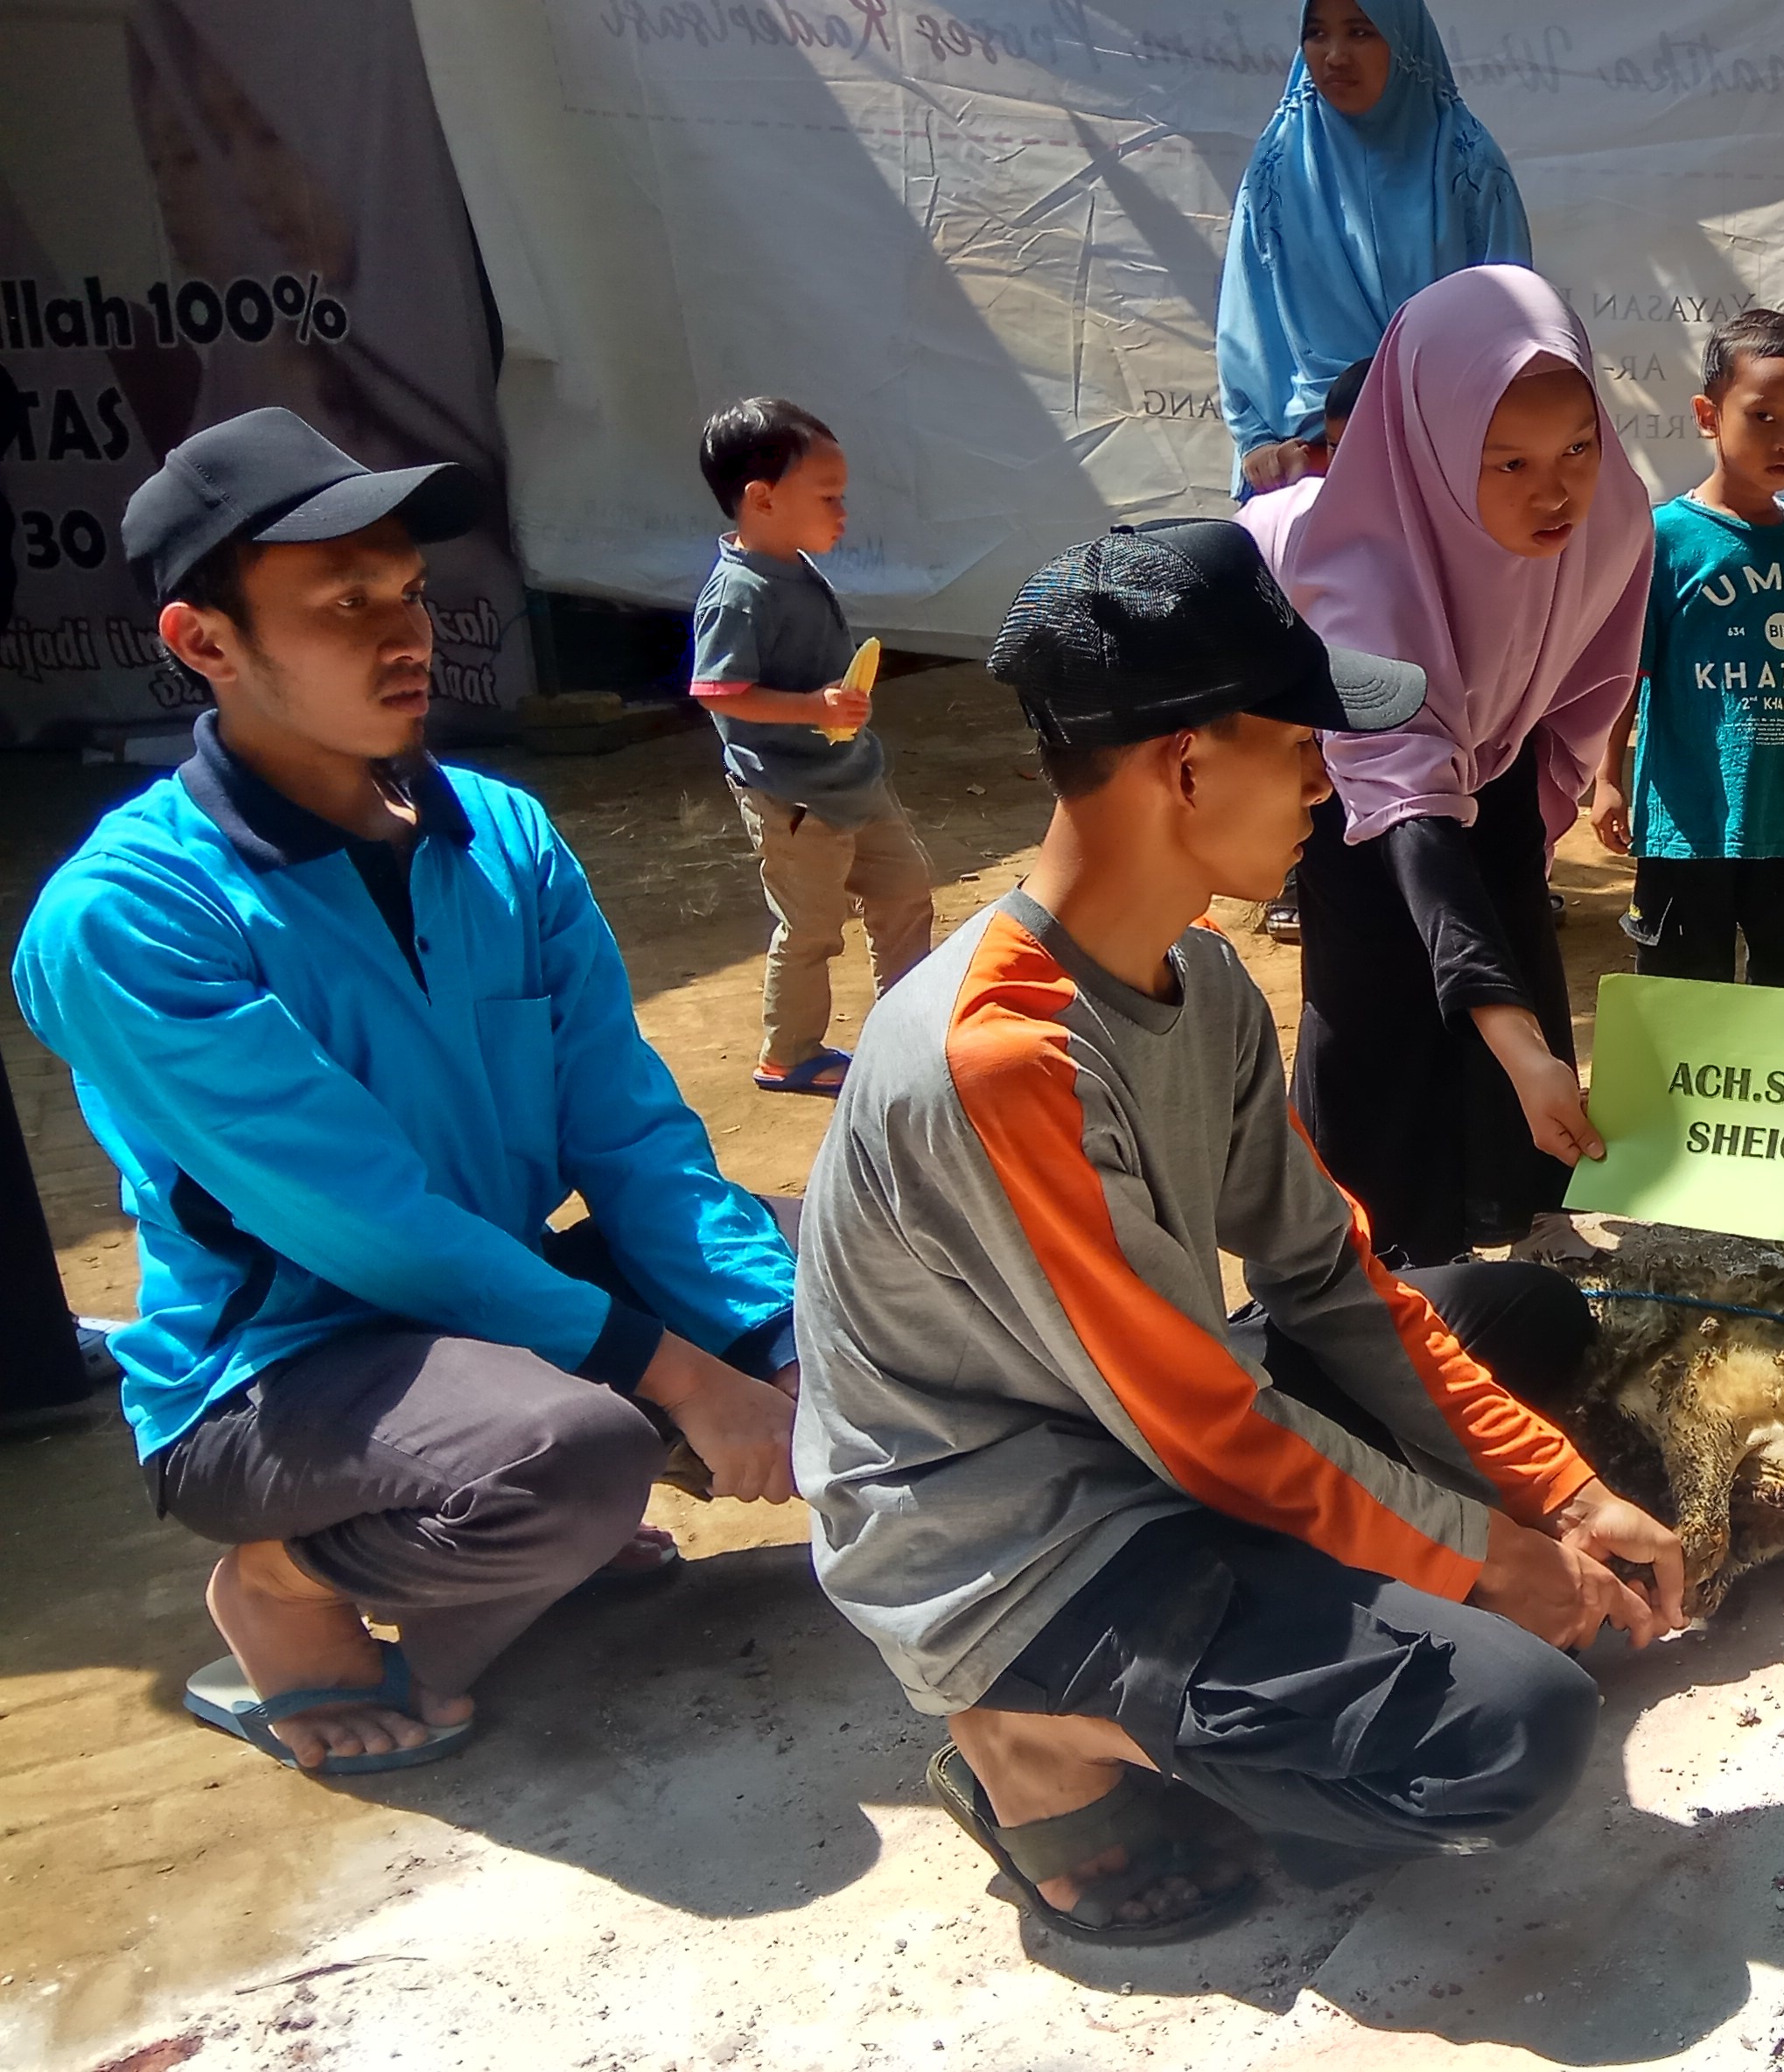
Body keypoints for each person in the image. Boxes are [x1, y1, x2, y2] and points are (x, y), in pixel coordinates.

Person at [795, 519, 1683, 1944]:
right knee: (1510, 1728)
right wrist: (1490, 1560)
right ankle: (1034, 1736)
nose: (1327, 786)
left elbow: (1323, 1270)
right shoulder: (1001, 1054)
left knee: (1511, 1321)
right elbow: (1207, 1425)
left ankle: (1259, 1641)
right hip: (1004, 1532)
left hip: (1132, 1420)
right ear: (1184, 762)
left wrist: (1554, 1490)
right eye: (1300, 745)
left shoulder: (1197, 972)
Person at [14, 409, 804, 1774]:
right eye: (340, 606)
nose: (405, 636)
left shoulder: (500, 833)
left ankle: (540, 1504)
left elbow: (628, 1130)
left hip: (494, 1305)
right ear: (206, 645)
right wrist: (681, 1374)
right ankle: (282, 1590)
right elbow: (370, 1226)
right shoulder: (131, 917)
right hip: (281, 1372)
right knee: (572, 1450)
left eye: (408, 593)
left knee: (868, 1273)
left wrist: (772, 1339)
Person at [1239, 263, 1650, 1265]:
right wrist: (1520, 1049)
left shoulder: (1616, 524)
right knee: (1378, 1021)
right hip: (1361, 800)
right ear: (1426, 449)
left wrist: (1531, 785)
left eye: (1577, 449)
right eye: (1505, 464)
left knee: (1513, 990)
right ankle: (1363, 1277)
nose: (1555, 492)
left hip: (1497, 773)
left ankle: (1497, 1246)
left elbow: (1582, 689)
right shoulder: (1348, 563)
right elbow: (1403, 794)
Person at [1588, 308, 1784, 990]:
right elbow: (1629, 674)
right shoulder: (1665, 538)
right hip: (1688, 821)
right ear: (1708, 415)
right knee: (1683, 990)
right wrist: (1608, 778)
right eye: (1764, 416)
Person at [689, 397, 937, 1096]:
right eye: (828, 496)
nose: (843, 511)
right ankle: (789, 1052)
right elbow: (714, 691)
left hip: (851, 775)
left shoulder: (793, 567)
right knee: (811, 929)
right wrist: (810, 707)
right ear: (761, 499)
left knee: (905, 893)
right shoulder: (737, 593)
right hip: (792, 797)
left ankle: (906, 1028)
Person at [1216, 0, 1531, 492]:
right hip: (1304, 463)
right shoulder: (1279, 163)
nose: (1335, 55)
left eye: (1361, 32)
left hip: (1440, 460)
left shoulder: (1467, 163)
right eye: (1317, 33)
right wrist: (1255, 439)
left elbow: (1509, 324)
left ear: (1405, 40)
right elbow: (1247, 313)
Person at [1258, 355, 1377, 949]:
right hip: (1330, 757)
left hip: (1429, 773)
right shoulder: (1298, 522)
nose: (1349, 469)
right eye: (1336, 449)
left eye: (1370, 450)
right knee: (1340, 939)